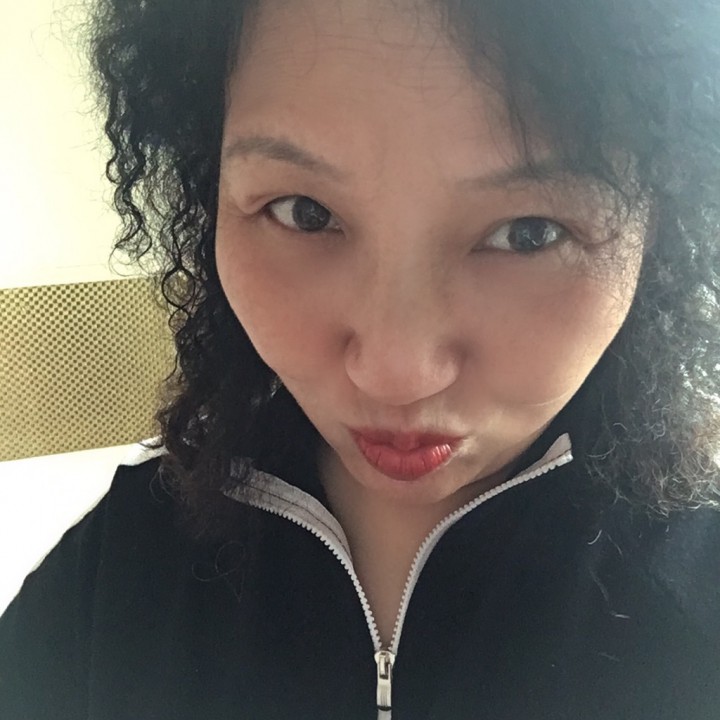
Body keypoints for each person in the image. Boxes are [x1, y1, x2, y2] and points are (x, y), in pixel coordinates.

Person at [2, 0, 720, 717]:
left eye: (528, 232)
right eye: (305, 212)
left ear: (659, 232)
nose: (395, 372)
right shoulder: (118, 568)